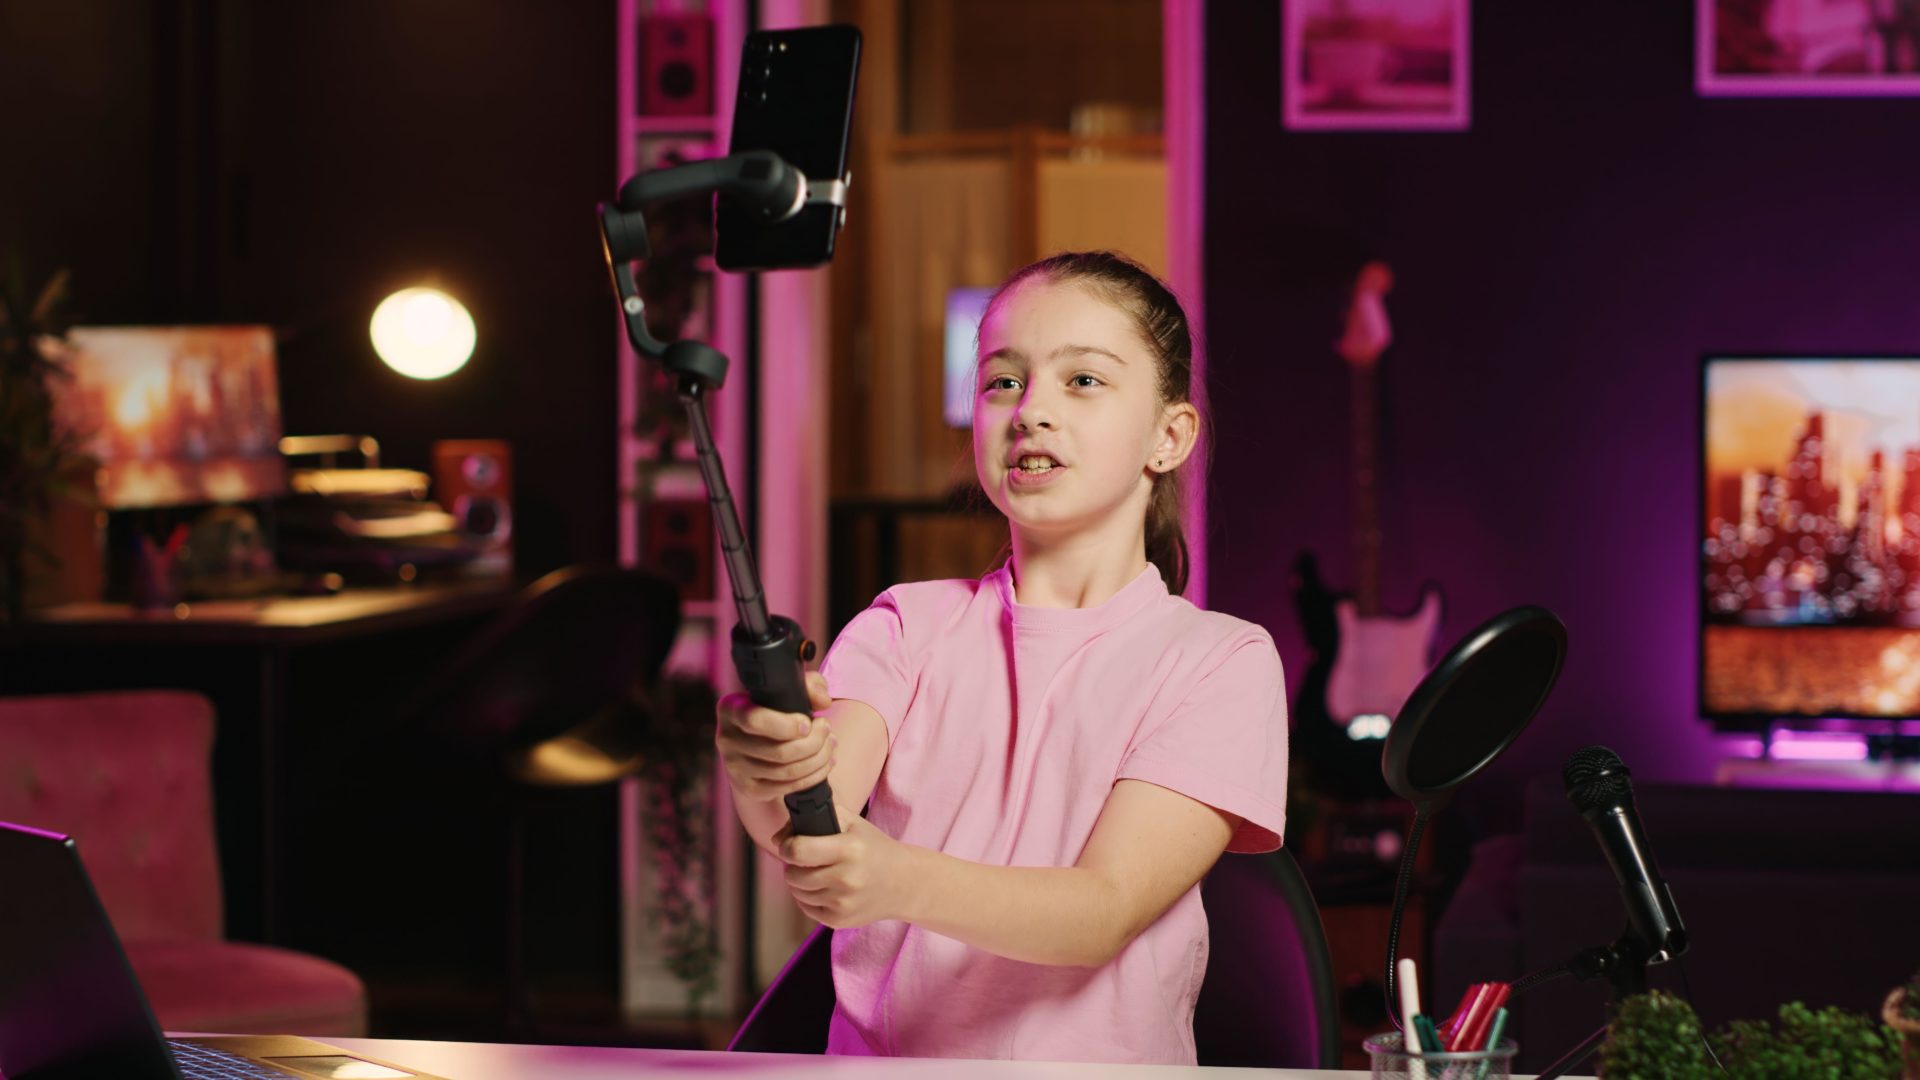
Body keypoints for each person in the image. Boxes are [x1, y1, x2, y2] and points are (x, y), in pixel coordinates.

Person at [715, 251, 1289, 1064]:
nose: (1030, 412)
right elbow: (811, 822)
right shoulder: (905, 624)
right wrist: (764, 765)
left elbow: (1101, 913)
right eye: (1002, 382)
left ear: (1169, 435)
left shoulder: (1219, 661)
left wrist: (894, 877)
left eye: (1082, 381)